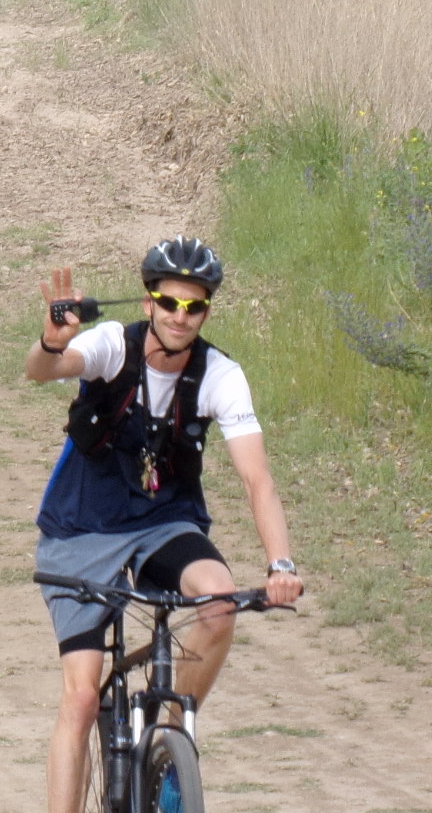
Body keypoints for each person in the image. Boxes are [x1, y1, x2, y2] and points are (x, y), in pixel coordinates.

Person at [25, 240, 304, 813]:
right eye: (169, 302)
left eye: (194, 307)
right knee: (81, 699)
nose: (181, 316)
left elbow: (258, 480)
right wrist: (52, 342)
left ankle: (170, 740)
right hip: (82, 528)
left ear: (207, 311)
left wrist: (281, 565)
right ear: (148, 302)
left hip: (164, 523)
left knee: (220, 602)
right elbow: (44, 370)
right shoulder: (111, 347)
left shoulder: (220, 374)